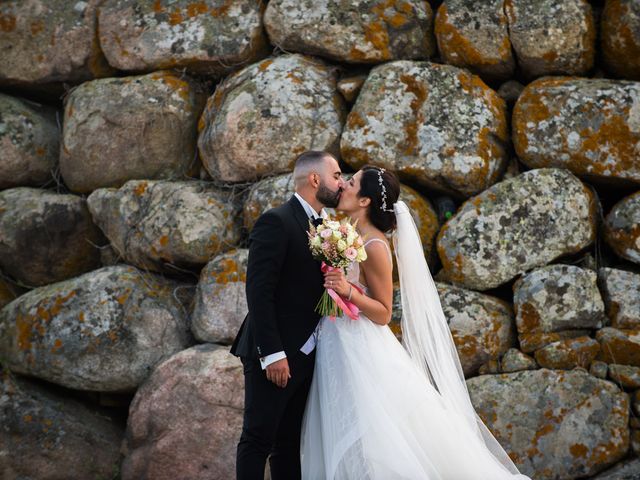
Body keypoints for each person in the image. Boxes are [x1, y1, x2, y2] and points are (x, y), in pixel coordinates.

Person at [301, 165, 531, 479]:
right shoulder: (345, 234)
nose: (343, 186)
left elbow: (382, 313)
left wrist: (346, 291)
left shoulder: (375, 245)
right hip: (335, 342)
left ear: (366, 201)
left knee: (377, 438)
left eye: (351, 183)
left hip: (361, 348)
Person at [230, 151, 344, 480]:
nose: (340, 182)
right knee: (257, 439)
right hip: (274, 354)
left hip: (308, 355)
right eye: (336, 175)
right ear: (314, 179)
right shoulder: (277, 221)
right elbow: (259, 292)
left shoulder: (327, 228)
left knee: (289, 443)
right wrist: (273, 353)